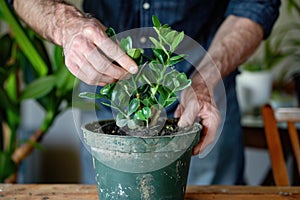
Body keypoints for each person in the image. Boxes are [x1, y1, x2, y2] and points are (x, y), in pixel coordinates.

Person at [9, 0, 281, 184]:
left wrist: (204, 79)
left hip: (201, 102)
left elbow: (257, 4)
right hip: (109, 102)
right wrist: (64, 24)